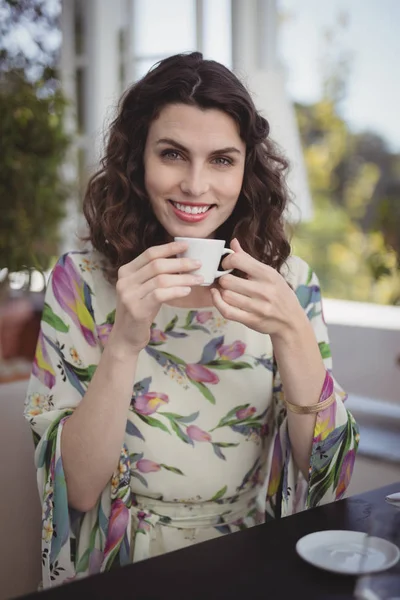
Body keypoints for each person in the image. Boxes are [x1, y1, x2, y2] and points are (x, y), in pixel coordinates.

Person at [24, 51, 359, 588]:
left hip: (252, 561)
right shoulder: (80, 284)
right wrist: (126, 341)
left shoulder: (290, 282)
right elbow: (78, 491)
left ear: (248, 167)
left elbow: (331, 477)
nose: (196, 186)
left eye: (222, 160)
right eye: (173, 154)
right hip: (121, 567)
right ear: (137, 160)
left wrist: (294, 332)